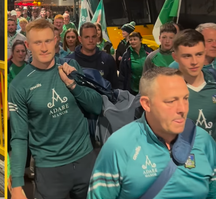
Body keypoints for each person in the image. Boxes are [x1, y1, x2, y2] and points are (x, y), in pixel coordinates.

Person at [87, 67, 216, 199]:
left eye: (186, 98)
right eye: (171, 101)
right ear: (146, 104)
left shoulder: (204, 141)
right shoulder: (119, 147)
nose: (182, 109)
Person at [9, 18, 102, 199]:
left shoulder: (71, 67)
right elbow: (19, 136)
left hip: (85, 161)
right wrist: (17, 184)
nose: (44, 48)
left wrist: (72, 84)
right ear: (28, 45)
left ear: (55, 41)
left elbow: (96, 106)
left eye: (48, 41)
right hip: (50, 170)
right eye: (37, 42)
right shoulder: (19, 85)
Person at [172, 29, 216, 140]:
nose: (194, 62)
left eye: (199, 54)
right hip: (184, 155)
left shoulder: (214, 82)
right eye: (187, 56)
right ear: (175, 57)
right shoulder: (166, 89)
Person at [66, 22, 118, 89]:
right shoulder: (69, 61)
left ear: (97, 38)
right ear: (80, 39)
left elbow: (115, 88)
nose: (91, 40)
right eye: (87, 37)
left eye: (93, 36)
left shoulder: (108, 60)